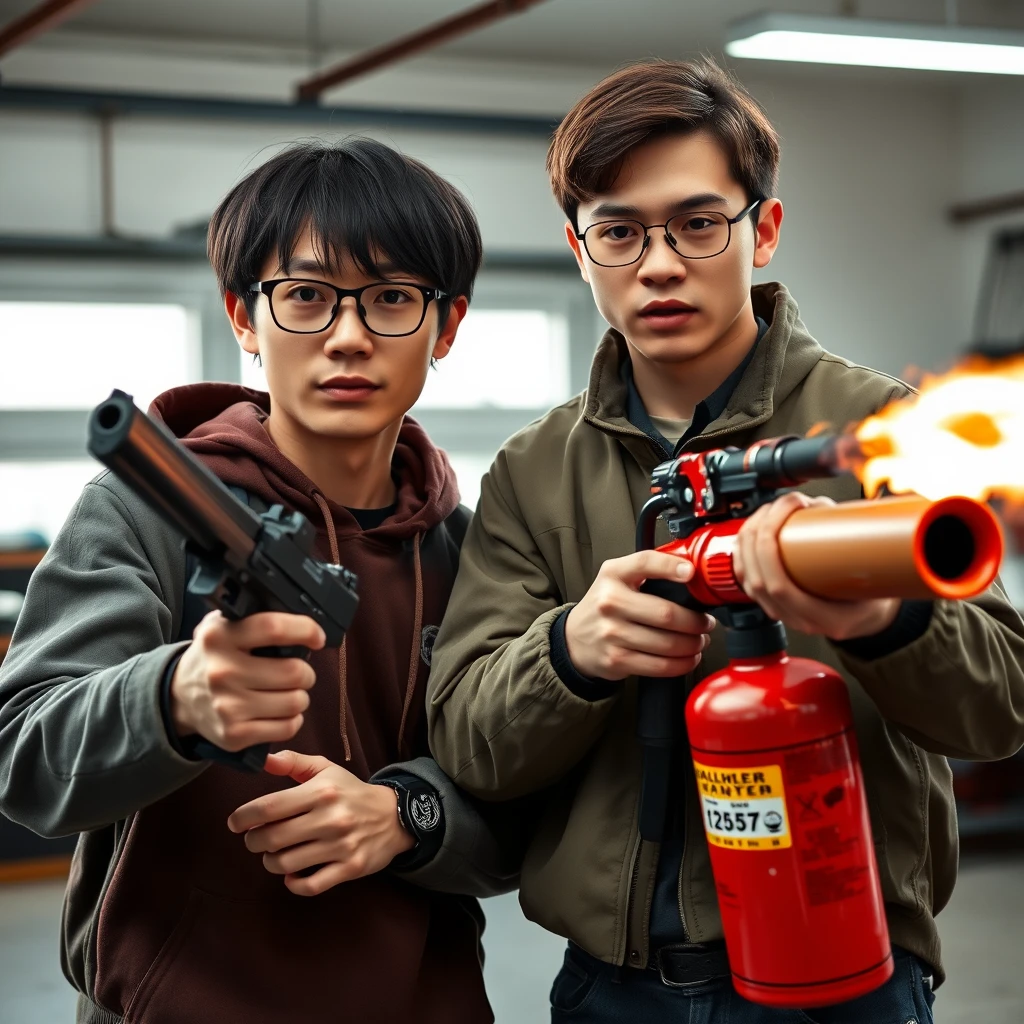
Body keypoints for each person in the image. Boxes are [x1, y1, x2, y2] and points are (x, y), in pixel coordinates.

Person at [426, 57, 1024, 1023]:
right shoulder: (534, 472)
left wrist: (883, 617)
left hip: (853, 978)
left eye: (699, 224)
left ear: (765, 230)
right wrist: (571, 654)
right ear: (580, 251)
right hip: (610, 991)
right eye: (618, 231)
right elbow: (467, 740)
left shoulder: (880, 429)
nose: (659, 263)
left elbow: (1002, 710)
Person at [0, 138, 512, 1024]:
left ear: (447, 326)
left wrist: (410, 815)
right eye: (307, 296)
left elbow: (530, 807)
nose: (348, 336)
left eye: (392, 299)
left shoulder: (472, 552)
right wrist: (173, 701)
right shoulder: (141, 511)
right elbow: (23, 764)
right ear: (244, 317)